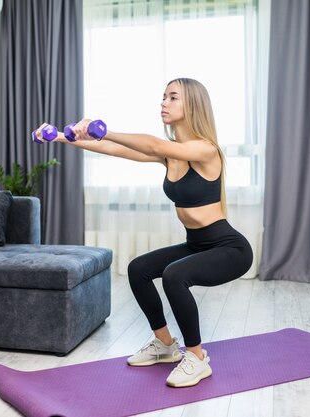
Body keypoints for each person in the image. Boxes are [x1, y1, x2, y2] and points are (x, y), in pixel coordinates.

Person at [32, 78, 253, 388]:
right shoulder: (172, 154)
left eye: (173, 97)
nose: (163, 102)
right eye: (164, 96)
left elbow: (151, 144)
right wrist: (59, 137)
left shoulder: (205, 149)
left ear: (192, 105)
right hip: (197, 244)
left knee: (175, 276)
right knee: (139, 269)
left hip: (228, 248)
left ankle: (197, 357)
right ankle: (164, 345)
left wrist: (104, 128)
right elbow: (113, 149)